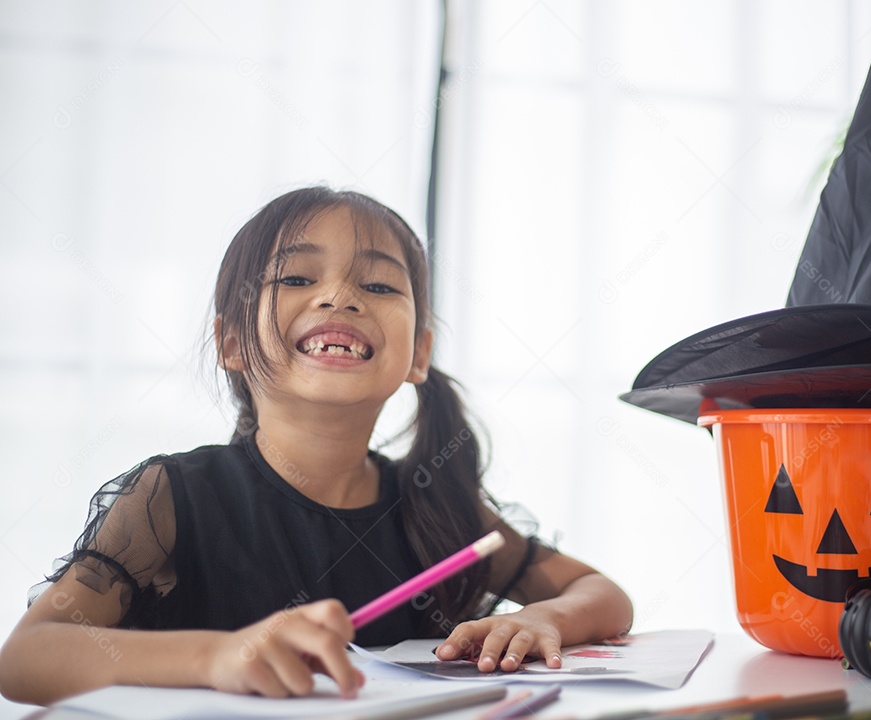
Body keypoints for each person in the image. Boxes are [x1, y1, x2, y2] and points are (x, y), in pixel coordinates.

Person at [0, 187, 634, 706]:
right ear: (230, 342)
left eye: (379, 287)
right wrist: (217, 656)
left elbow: (602, 595)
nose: (340, 297)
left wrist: (545, 619)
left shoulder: (434, 508)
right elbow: (26, 657)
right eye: (298, 276)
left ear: (418, 354)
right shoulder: (175, 497)